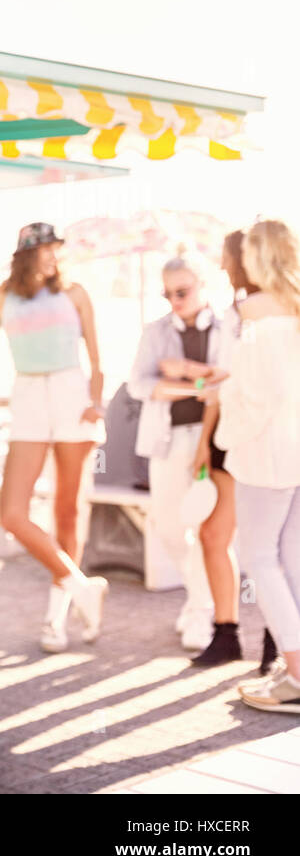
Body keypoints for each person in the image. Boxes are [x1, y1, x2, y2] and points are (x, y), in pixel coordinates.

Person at [0, 222, 108, 653]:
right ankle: (83, 587)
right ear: (26, 254)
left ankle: (56, 620)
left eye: (56, 249)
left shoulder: (75, 293)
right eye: (45, 249)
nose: (53, 256)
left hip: (72, 395)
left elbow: (97, 361)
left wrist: (96, 403)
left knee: (67, 512)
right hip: (28, 396)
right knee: (12, 514)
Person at [206, 218, 300, 713]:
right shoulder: (294, 310)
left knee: (259, 557)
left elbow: (259, 398)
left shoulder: (257, 318)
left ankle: (298, 674)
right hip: (294, 450)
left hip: (267, 455)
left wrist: (224, 431)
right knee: (292, 557)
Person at [127, 255, 224, 655]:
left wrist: (182, 369)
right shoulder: (155, 331)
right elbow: (138, 384)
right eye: (167, 293)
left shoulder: (229, 327)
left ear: (203, 284)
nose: (174, 301)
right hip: (166, 440)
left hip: (215, 442)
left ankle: (202, 609)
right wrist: (197, 384)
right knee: (167, 526)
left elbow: (231, 380)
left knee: (208, 529)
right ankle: (199, 596)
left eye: (182, 291)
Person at [188, 230, 273, 668]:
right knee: (214, 535)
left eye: (227, 257)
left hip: (266, 438)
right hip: (228, 436)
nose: (222, 266)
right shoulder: (231, 314)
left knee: (268, 545)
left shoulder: (279, 313)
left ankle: (279, 643)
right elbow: (220, 381)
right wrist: (204, 442)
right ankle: (227, 634)